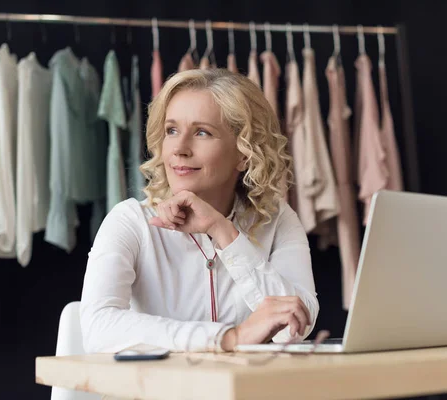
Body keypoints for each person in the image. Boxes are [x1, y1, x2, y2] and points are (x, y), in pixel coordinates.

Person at [80, 68, 319, 353]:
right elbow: (98, 328)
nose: (179, 148)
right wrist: (229, 338)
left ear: (244, 153)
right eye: (171, 130)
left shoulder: (277, 219)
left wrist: (223, 232)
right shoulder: (130, 221)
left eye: (202, 132)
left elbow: (295, 327)